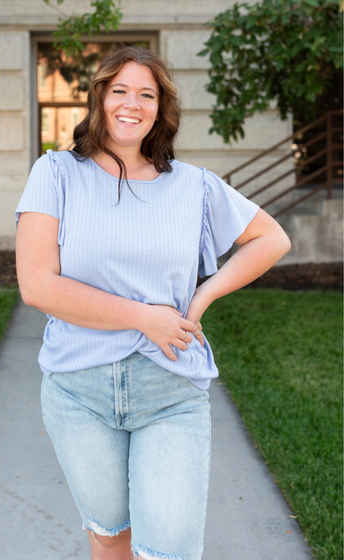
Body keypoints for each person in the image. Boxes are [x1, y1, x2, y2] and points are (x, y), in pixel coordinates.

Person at [14, 43, 291, 560]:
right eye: (120, 90)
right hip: (79, 390)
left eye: (147, 94)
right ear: (99, 98)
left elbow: (271, 239)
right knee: (110, 539)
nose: (132, 104)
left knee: (168, 552)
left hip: (169, 389)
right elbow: (38, 286)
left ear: (160, 109)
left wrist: (201, 296)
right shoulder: (55, 174)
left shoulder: (191, 185)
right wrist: (146, 317)